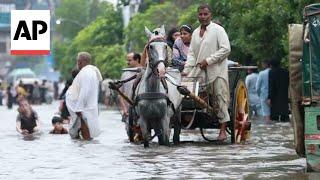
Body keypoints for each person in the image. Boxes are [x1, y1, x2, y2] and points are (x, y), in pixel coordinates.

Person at [183, 4, 231, 141]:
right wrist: (186, 70)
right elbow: (191, 54)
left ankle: (222, 130)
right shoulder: (196, 33)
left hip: (217, 71)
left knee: (220, 97)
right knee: (185, 93)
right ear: (197, 15)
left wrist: (208, 61)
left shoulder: (218, 30)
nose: (203, 17)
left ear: (211, 15)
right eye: (200, 14)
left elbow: (226, 49)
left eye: (205, 14)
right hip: (198, 71)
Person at [65, 52, 102, 140]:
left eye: (78, 61)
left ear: (81, 61)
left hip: (83, 107)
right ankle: (84, 148)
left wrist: (78, 107)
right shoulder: (90, 71)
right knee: (83, 129)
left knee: (85, 128)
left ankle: (85, 148)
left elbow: (84, 91)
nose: (77, 63)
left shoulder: (86, 72)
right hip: (85, 106)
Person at [119, 52, 142, 119]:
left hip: (143, 111)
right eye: (127, 60)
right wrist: (124, 109)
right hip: (129, 111)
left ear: (137, 60)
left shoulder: (144, 73)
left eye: (129, 60)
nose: (127, 62)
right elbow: (120, 94)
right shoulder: (125, 74)